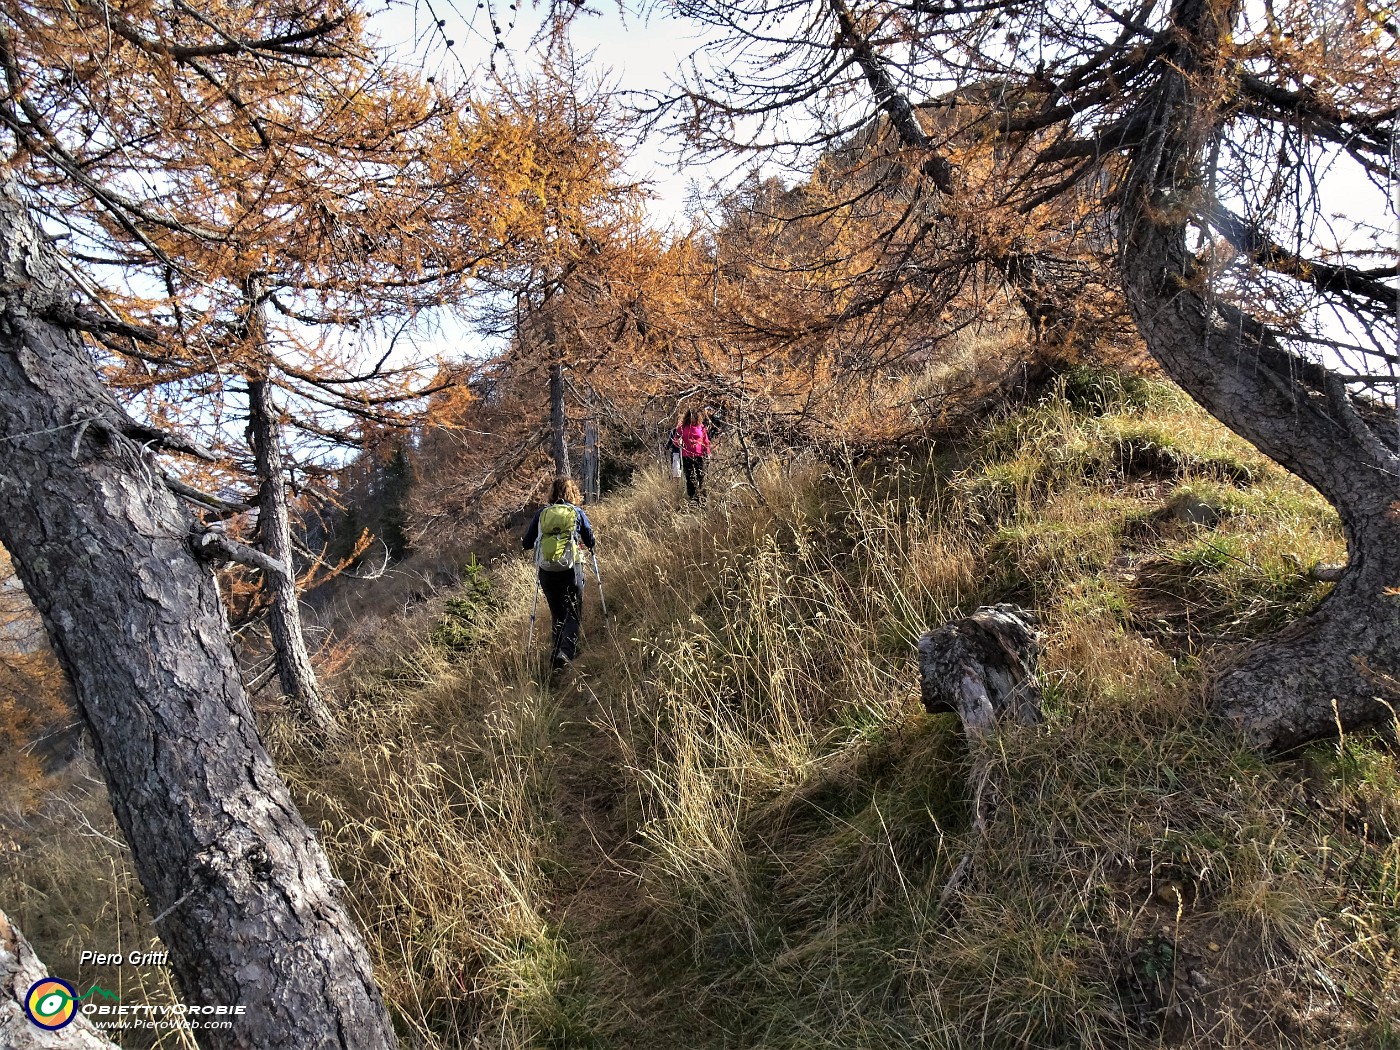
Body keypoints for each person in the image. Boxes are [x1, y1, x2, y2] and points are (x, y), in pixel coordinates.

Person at [522, 477, 597, 673]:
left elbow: (527, 543)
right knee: (573, 612)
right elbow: (590, 540)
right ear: (573, 493)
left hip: (547, 571)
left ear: (552, 493)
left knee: (558, 614)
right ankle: (565, 652)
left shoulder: (542, 514)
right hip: (571, 569)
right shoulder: (576, 512)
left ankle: (555, 658)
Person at [678, 408, 711, 502]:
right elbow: (676, 439)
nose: (692, 419)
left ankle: (702, 497)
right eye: (691, 416)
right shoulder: (683, 427)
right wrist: (679, 441)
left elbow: (706, 441)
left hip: (699, 456)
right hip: (686, 456)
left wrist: (707, 452)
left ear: (698, 418)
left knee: (701, 476)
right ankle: (692, 498)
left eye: (694, 417)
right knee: (689, 477)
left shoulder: (701, 427)